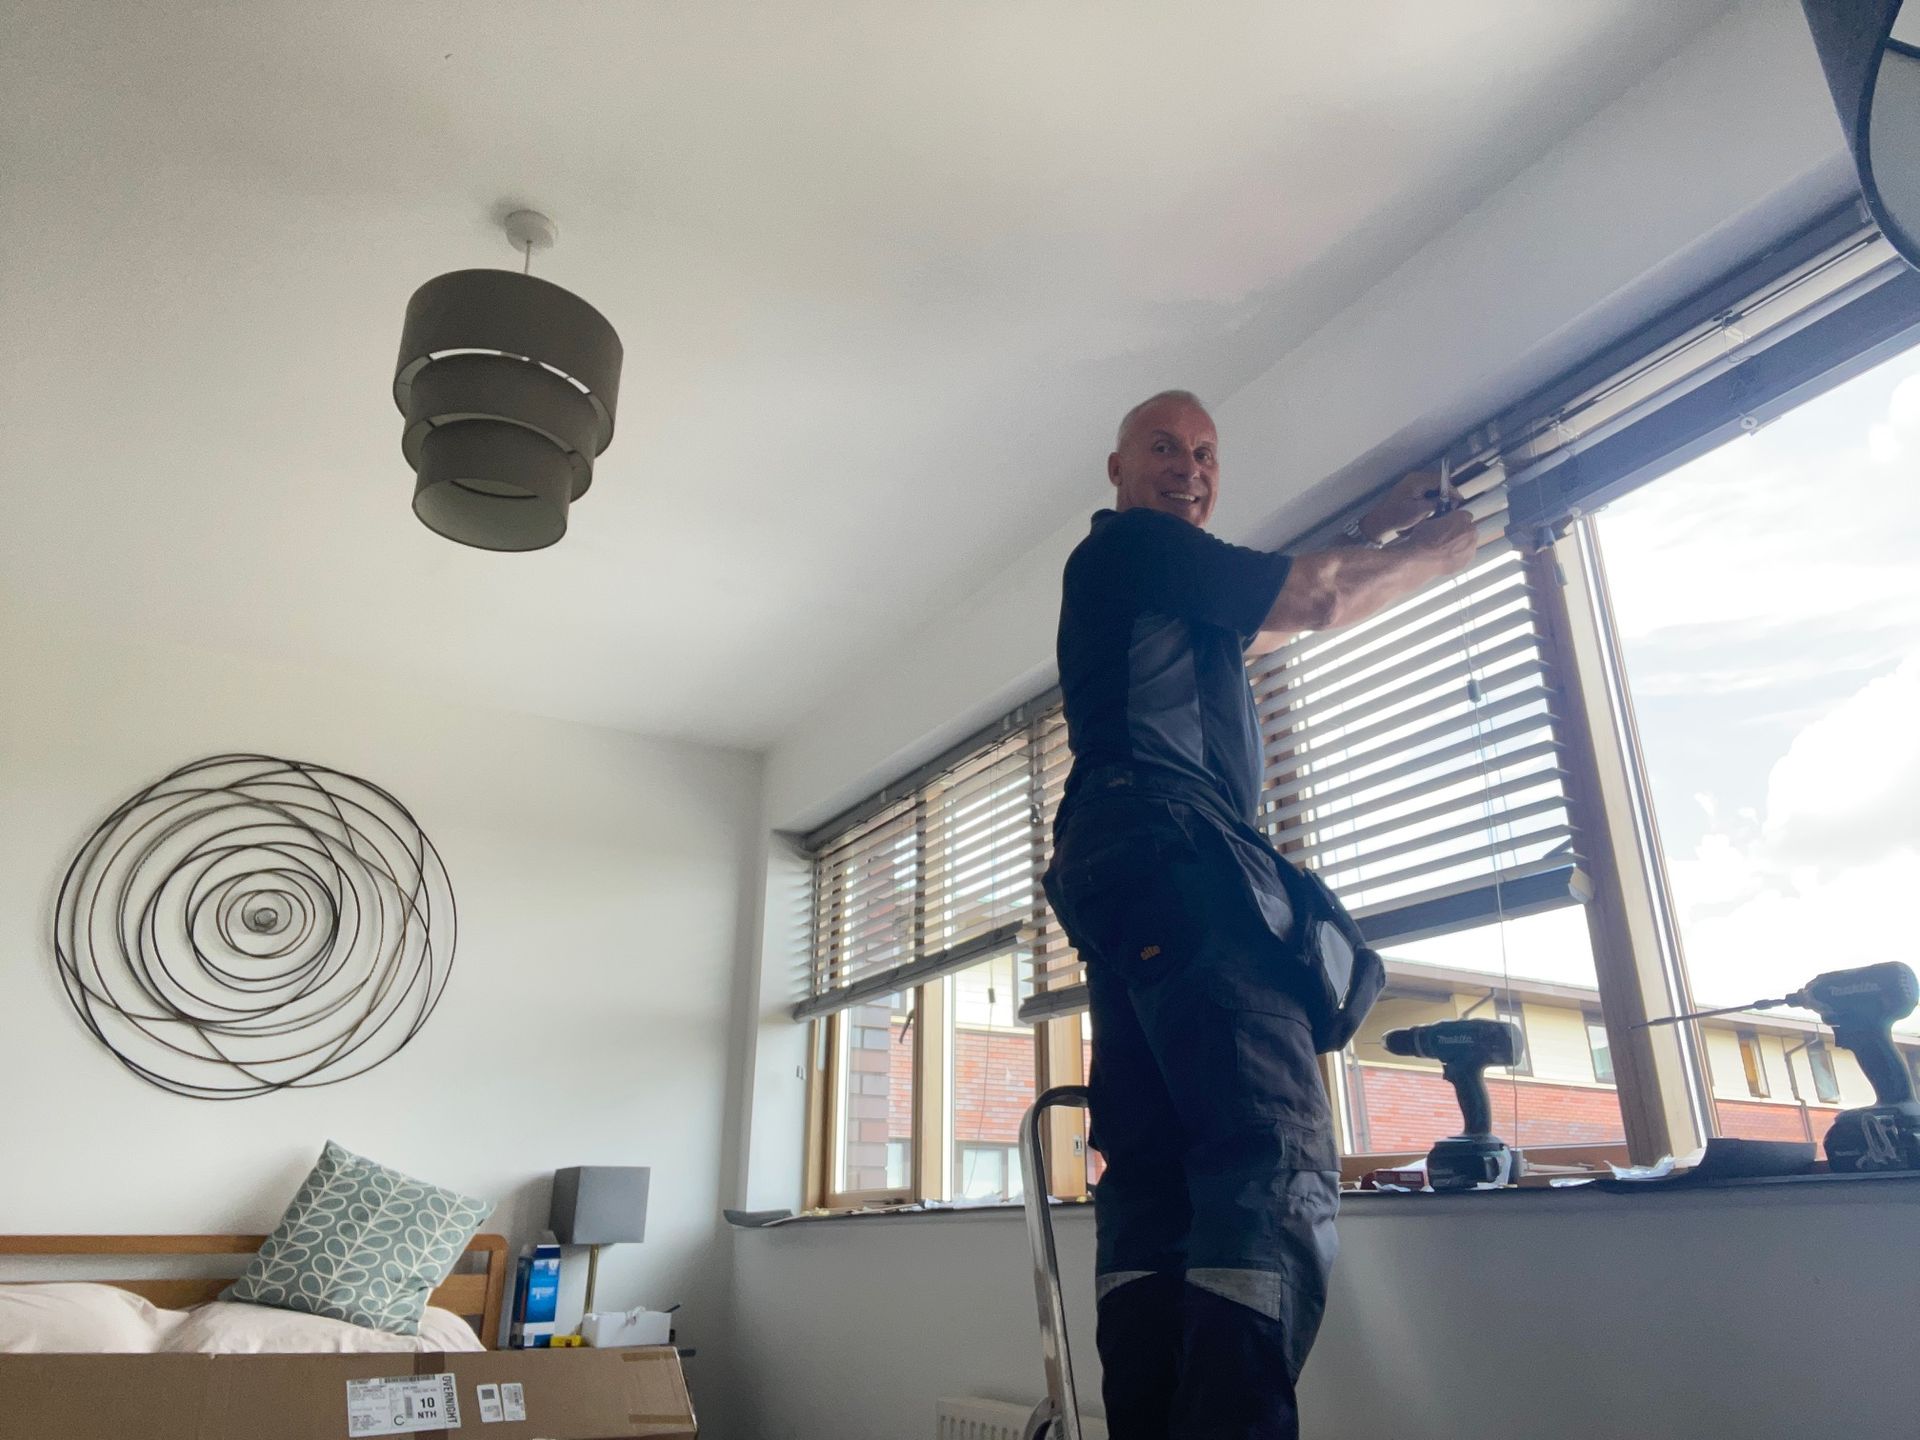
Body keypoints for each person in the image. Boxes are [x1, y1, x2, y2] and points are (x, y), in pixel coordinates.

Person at [1042, 390, 1478, 1439]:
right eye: (1162, 448)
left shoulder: (1163, 602)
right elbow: (1318, 602)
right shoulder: (1129, 549)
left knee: (1154, 1174)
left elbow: (1266, 622)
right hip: (1173, 844)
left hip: (1119, 874)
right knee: (1266, 1152)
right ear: (1116, 469)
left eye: (1204, 453)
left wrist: (1373, 529)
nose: (1187, 467)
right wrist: (1448, 553)